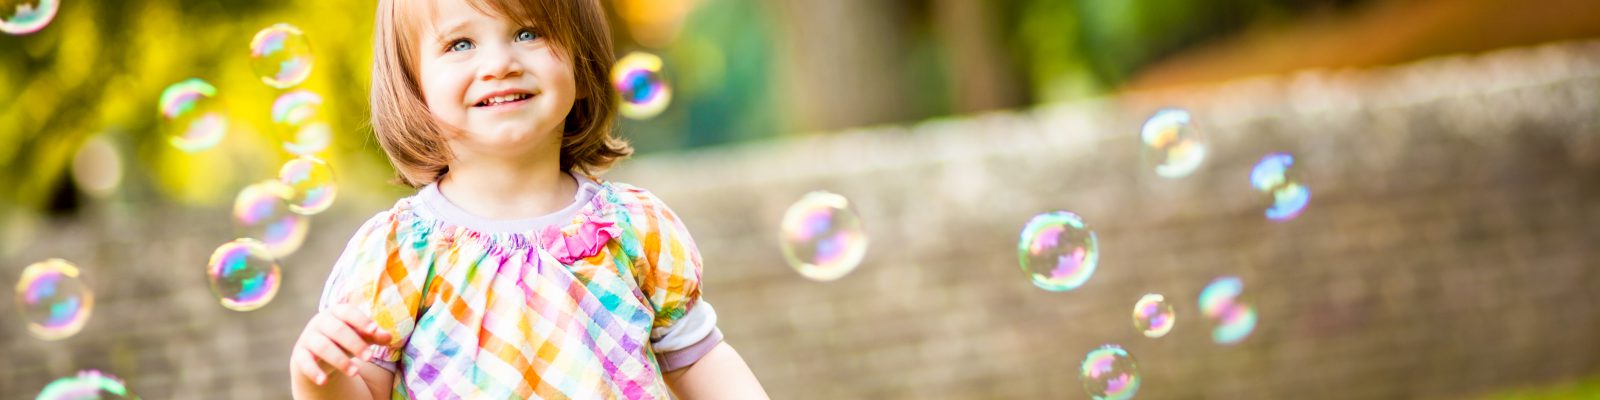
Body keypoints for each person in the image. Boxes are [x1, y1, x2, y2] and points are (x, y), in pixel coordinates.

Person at [288, 0, 767, 398]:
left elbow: (697, 361)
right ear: (414, 86)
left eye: (528, 33)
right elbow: (363, 390)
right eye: (460, 44)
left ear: (582, 61)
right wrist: (323, 376)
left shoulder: (635, 227)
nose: (500, 64)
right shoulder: (397, 253)